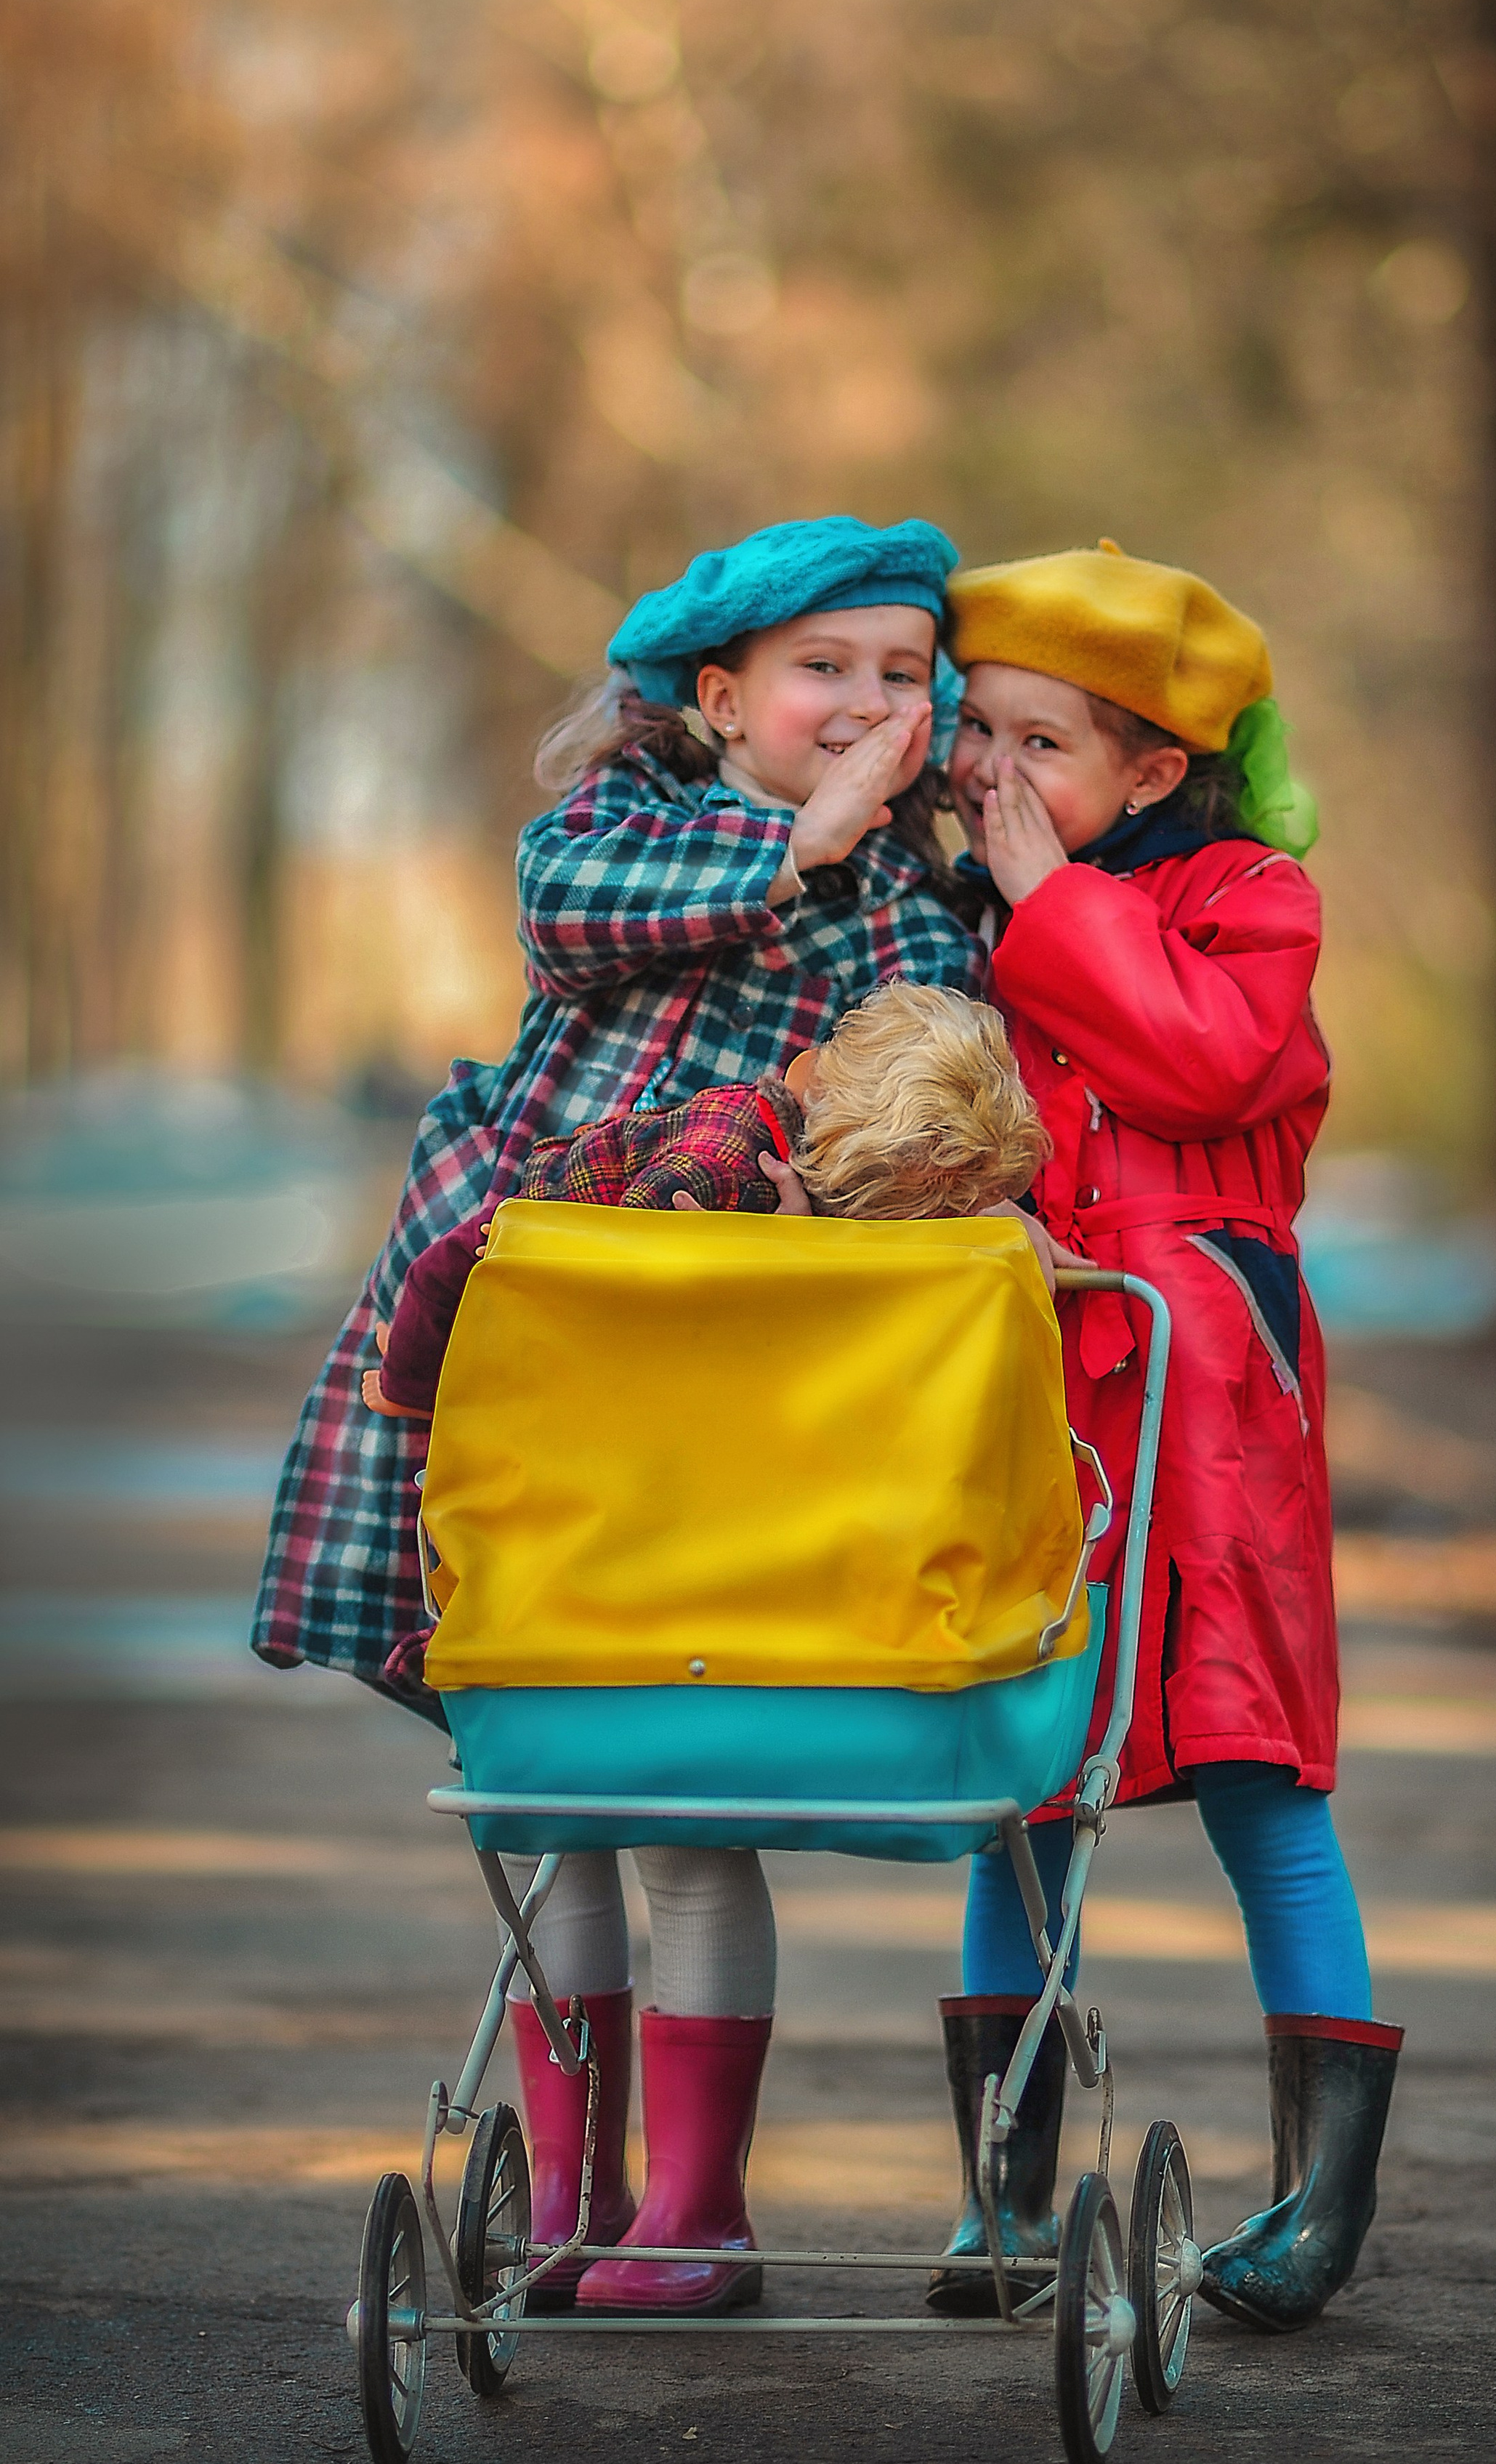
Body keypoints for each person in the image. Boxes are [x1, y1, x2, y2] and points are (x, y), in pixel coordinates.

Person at [250, 515, 985, 2314]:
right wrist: (795, 846)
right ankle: (567, 2194)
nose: (868, 703)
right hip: (534, 1348)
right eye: (828, 668)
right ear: (717, 694)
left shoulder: (908, 901)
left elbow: (934, 1084)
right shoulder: (617, 830)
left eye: (905, 675)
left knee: (682, 1787)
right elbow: (572, 928)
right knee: (545, 1787)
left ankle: (696, 2214)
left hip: (717, 1382)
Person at [925, 538, 1403, 2335]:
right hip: (1024, 1374)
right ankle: (1003, 2202)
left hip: (1206, 1391)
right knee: (1016, 1782)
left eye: (1039, 740)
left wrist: (1048, 902)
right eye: (976, 730)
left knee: (1256, 1769)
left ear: (1151, 768)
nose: (991, 771)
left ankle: (1315, 2209)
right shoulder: (960, 910)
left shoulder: (1242, 897)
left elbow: (1204, 1061)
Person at [360, 981, 1054, 1420]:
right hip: (541, 1215)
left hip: (593, 1290)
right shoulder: (725, 1172)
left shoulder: (796, 1142)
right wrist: (738, 1260)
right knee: (440, 1288)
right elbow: (612, 1254)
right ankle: (406, 1387)